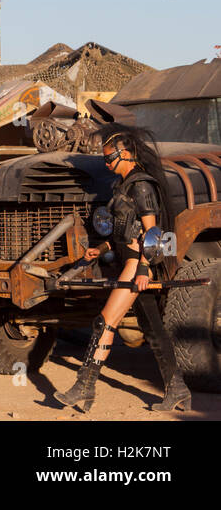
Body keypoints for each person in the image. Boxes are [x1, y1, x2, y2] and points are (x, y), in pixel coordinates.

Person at [54, 124, 190, 413]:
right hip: (127, 261)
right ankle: (177, 389)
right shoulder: (123, 186)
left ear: (126, 154)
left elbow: (153, 234)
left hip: (137, 265)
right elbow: (126, 233)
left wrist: (142, 270)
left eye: (109, 158)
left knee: (105, 321)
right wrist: (101, 249)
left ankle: (84, 385)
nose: (106, 163)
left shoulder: (141, 185)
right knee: (153, 328)